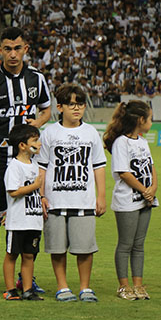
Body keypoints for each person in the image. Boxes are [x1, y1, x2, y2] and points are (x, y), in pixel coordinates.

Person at [0, 27, 51, 293]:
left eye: (18, 48)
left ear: (26, 49)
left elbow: (47, 108)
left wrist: (37, 123)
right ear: (0, 50)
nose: (13, 54)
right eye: (8, 48)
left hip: (28, 161)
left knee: (29, 216)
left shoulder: (37, 79)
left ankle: (26, 277)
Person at [37, 84, 106, 302]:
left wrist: (101, 197)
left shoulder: (91, 133)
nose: (76, 109)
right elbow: (42, 167)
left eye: (80, 104)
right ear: (60, 107)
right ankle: (62, 286)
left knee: (85, 248)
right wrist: (41, 196)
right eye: (71, 104)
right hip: (56, 200)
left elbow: (98, 166)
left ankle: (85, 287)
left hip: (84, 200)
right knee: (57, 248)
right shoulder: (49, 133)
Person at [103, 100, 157, 301]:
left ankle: (138, 285)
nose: (151, 122)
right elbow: (124, 173)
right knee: (125, 244)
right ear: (140, 120)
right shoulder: (121, 143)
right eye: (150, 118)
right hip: (127, 200)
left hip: (146, 199)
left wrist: (153, 189)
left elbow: (151, 168)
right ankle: (123, 286)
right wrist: (145, 190)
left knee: (139, 245)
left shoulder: (142, 142)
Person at [1, 124, 45, 301]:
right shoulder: (15, 166)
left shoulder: (34, 164)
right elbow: (13, 191)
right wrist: (34, 186)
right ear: (22, 145)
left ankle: (28, 289)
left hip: (33, 220)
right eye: (34, 140)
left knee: (29, 255)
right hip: (18, 221)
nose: (39, 144)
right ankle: (10, 289)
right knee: (12, 254)